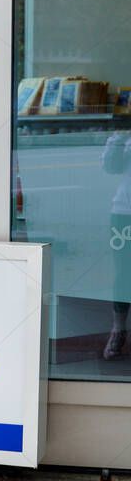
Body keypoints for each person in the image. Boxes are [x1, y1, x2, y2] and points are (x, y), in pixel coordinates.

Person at [101, 130, 131, 360]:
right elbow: (110, 167)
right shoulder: (123, 135)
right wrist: (120, 139)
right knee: (124, 273)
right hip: (124, 212)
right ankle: (118, 329)